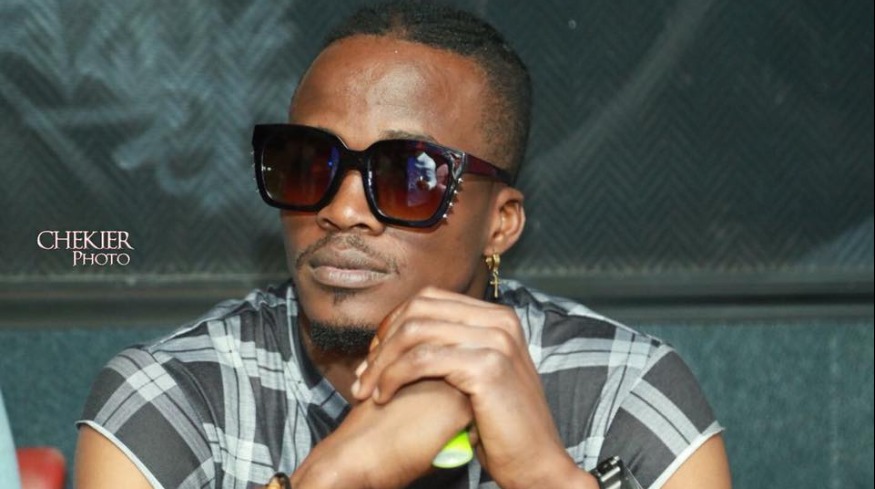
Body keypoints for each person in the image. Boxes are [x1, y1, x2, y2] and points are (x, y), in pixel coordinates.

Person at [75, 1, 732, 488]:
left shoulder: (621, 388)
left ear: (500, 222)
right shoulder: (177, 394)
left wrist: (544, 475)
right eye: (307, 164)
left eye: (408, 178)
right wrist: (337, 475)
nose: (341, 210)